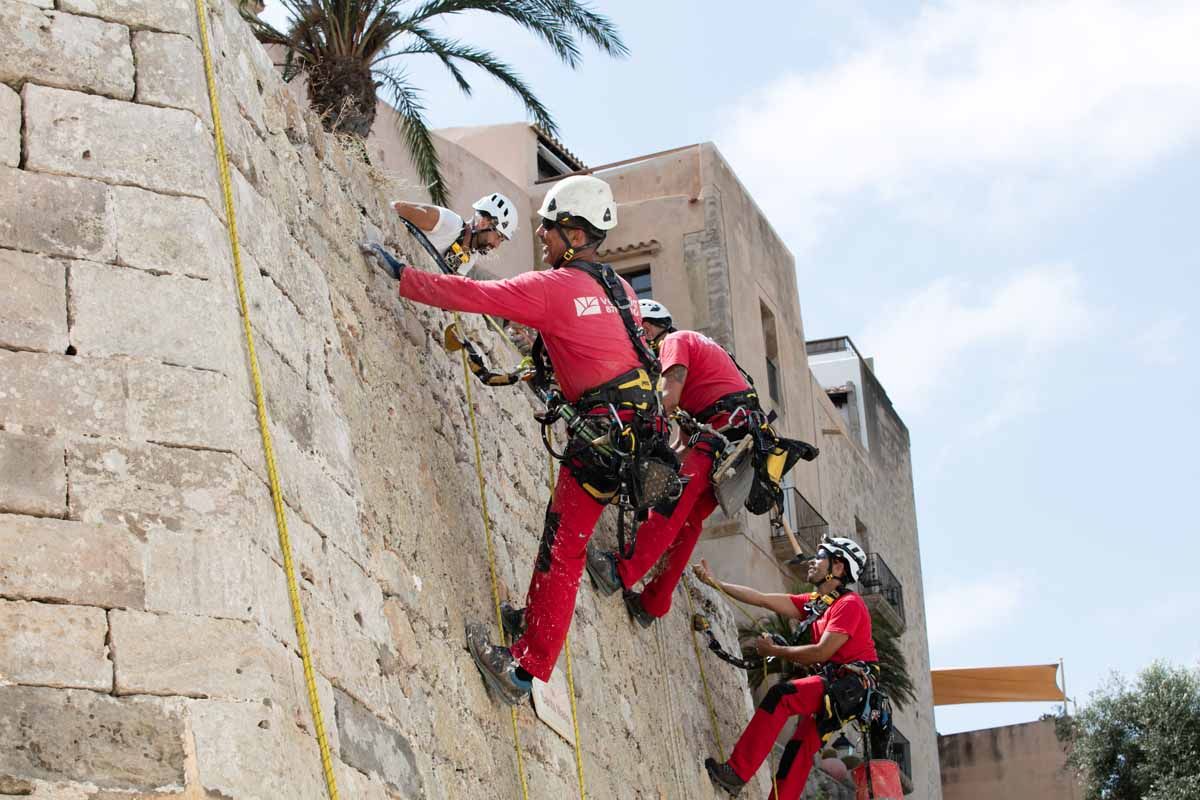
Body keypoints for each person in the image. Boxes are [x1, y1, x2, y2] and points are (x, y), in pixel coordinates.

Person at [364, 175, 665, 704]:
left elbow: (478, 296)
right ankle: (531, 623)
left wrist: (404, 275)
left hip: (602, 434)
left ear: (573, 232)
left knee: (562, 548)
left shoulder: (558, 287)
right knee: (562, 544)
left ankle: (523, 668)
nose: (542, 237)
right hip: (632, 430)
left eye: (549, 228)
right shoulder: (618, 289)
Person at [584, 300, 755, 626]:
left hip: (722, 437)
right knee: (688, 521)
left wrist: (633, 423)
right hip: (736, 445)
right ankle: (653, 603)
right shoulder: (702, 357)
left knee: (670, 503)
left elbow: (668, 398)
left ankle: (618, 571)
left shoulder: (675, 343)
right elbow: (680, 443)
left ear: (646, 328)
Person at [696, 536, 876, 799]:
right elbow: (762, 599)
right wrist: (716, 583)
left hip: (848, 685)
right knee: (799, 749)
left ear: (837, 568)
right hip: (841, 688)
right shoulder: (818, 604)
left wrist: (775, 651)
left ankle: (737, 772)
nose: (814, 561)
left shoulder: (849, 605)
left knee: (781, 697)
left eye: (821, 556)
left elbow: (821, 651)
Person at [390, 192, 518, 274]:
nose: (496, 245)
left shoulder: (469, 258)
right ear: (484, 223)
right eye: (498, 237)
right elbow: (396, 209)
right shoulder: (448, 222)